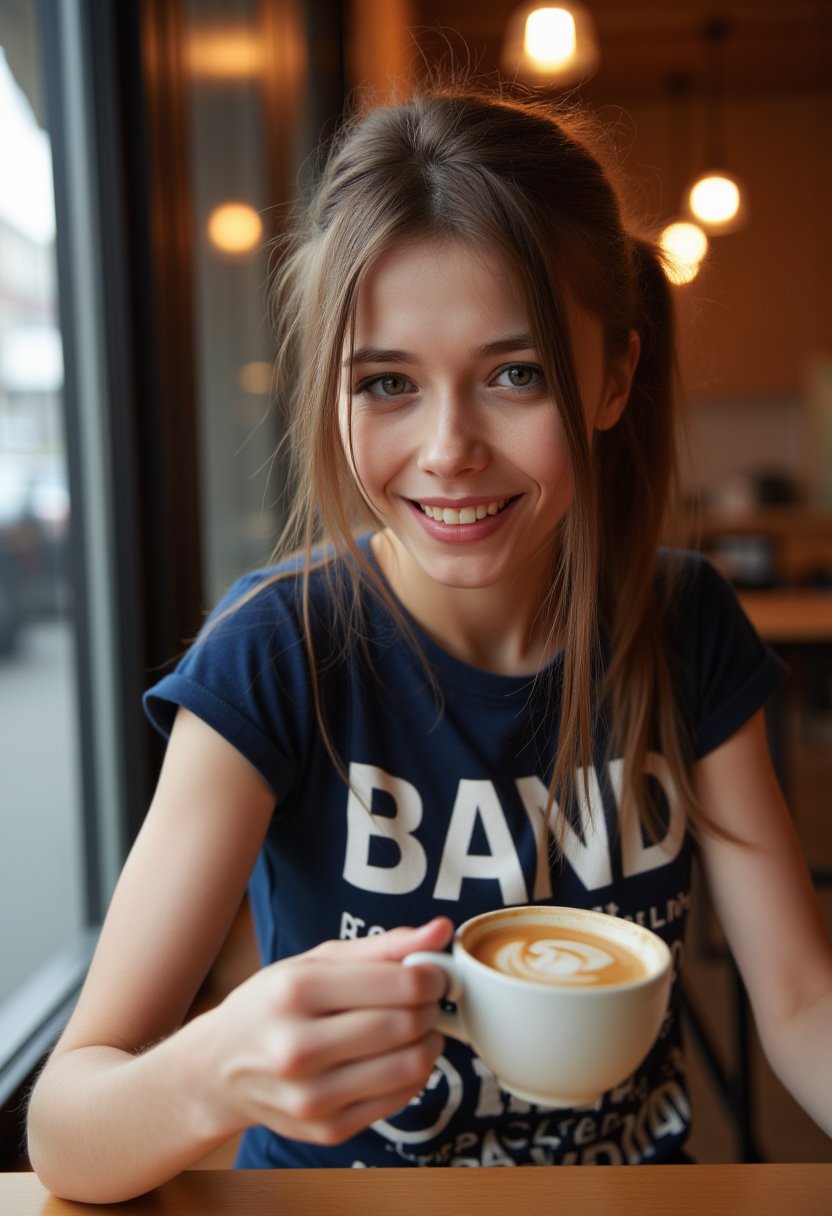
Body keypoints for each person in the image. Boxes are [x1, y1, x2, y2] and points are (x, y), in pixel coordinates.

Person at [27, 84, 832, 1202]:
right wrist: (215, 1071)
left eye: (515, 373)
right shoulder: (274, 653)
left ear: (611, 377)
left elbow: (799, 1006)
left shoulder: (682, 626)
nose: (448, 449)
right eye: (389, 384)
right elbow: (67, 1127)